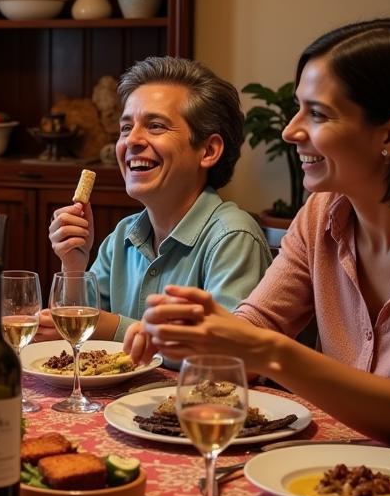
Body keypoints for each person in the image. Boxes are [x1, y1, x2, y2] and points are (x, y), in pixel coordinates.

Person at [132, 19, 390, 458]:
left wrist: (271, 353)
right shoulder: (321, 215)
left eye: (317, 113)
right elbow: (256, 326)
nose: (290, 130)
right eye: (298, 107)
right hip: (336, 478)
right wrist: (201, 330)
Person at [40, 56, 271, 341]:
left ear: (209, 151)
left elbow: (228, 354)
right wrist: (74, 266)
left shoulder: (233, 237)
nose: (131, 141)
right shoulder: (122, 237)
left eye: (156, 126)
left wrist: (115, 328)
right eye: (126, 128)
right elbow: (79, 343)